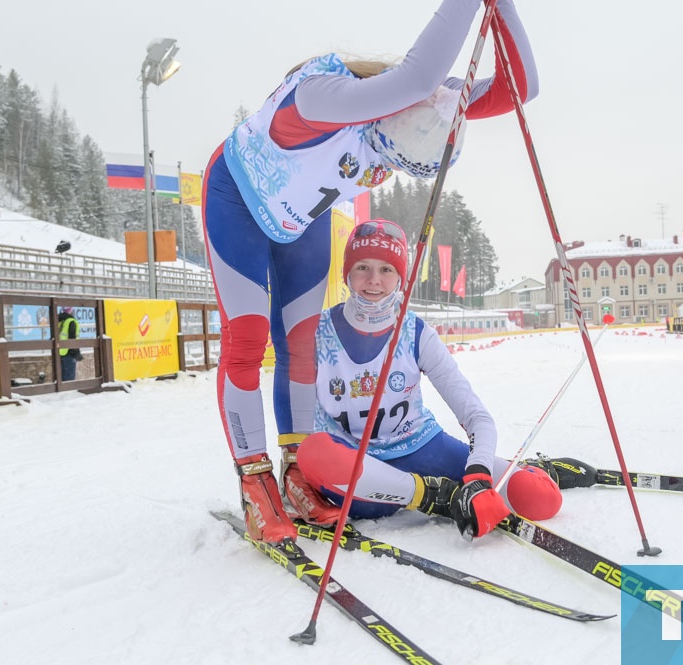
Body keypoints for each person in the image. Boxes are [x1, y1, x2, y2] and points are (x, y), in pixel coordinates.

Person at [201, 0, 539, 545]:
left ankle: (296, 470)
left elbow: (520, 90)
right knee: (248, 336)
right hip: (238, 197)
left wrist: (501, 9)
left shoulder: (422, 108)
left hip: (303, 211)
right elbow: (418, 74)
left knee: (302, 342)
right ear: (387, 113)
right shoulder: (319, 96)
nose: (389, 166)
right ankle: (254, 480)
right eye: (391, 153)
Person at [296, 220, 563, 539]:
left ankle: (527, 470)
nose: (373, 281)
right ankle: (436, 496)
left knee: (539, 498)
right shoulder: (316, 332)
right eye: (363, 267)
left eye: (386, 270)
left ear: (400, 277)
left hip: (422, 450)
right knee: (312, 452)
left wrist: (478, 474)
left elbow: (475, 416)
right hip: (357, 469)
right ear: (347, 273)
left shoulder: (416, 333)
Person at [57, 307, 82, 381]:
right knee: (69, 378)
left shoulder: (60, 321)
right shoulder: (71, 322)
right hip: (69, 352)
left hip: (60, 352)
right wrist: (76, 352)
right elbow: (72, 339)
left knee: (61, 377)